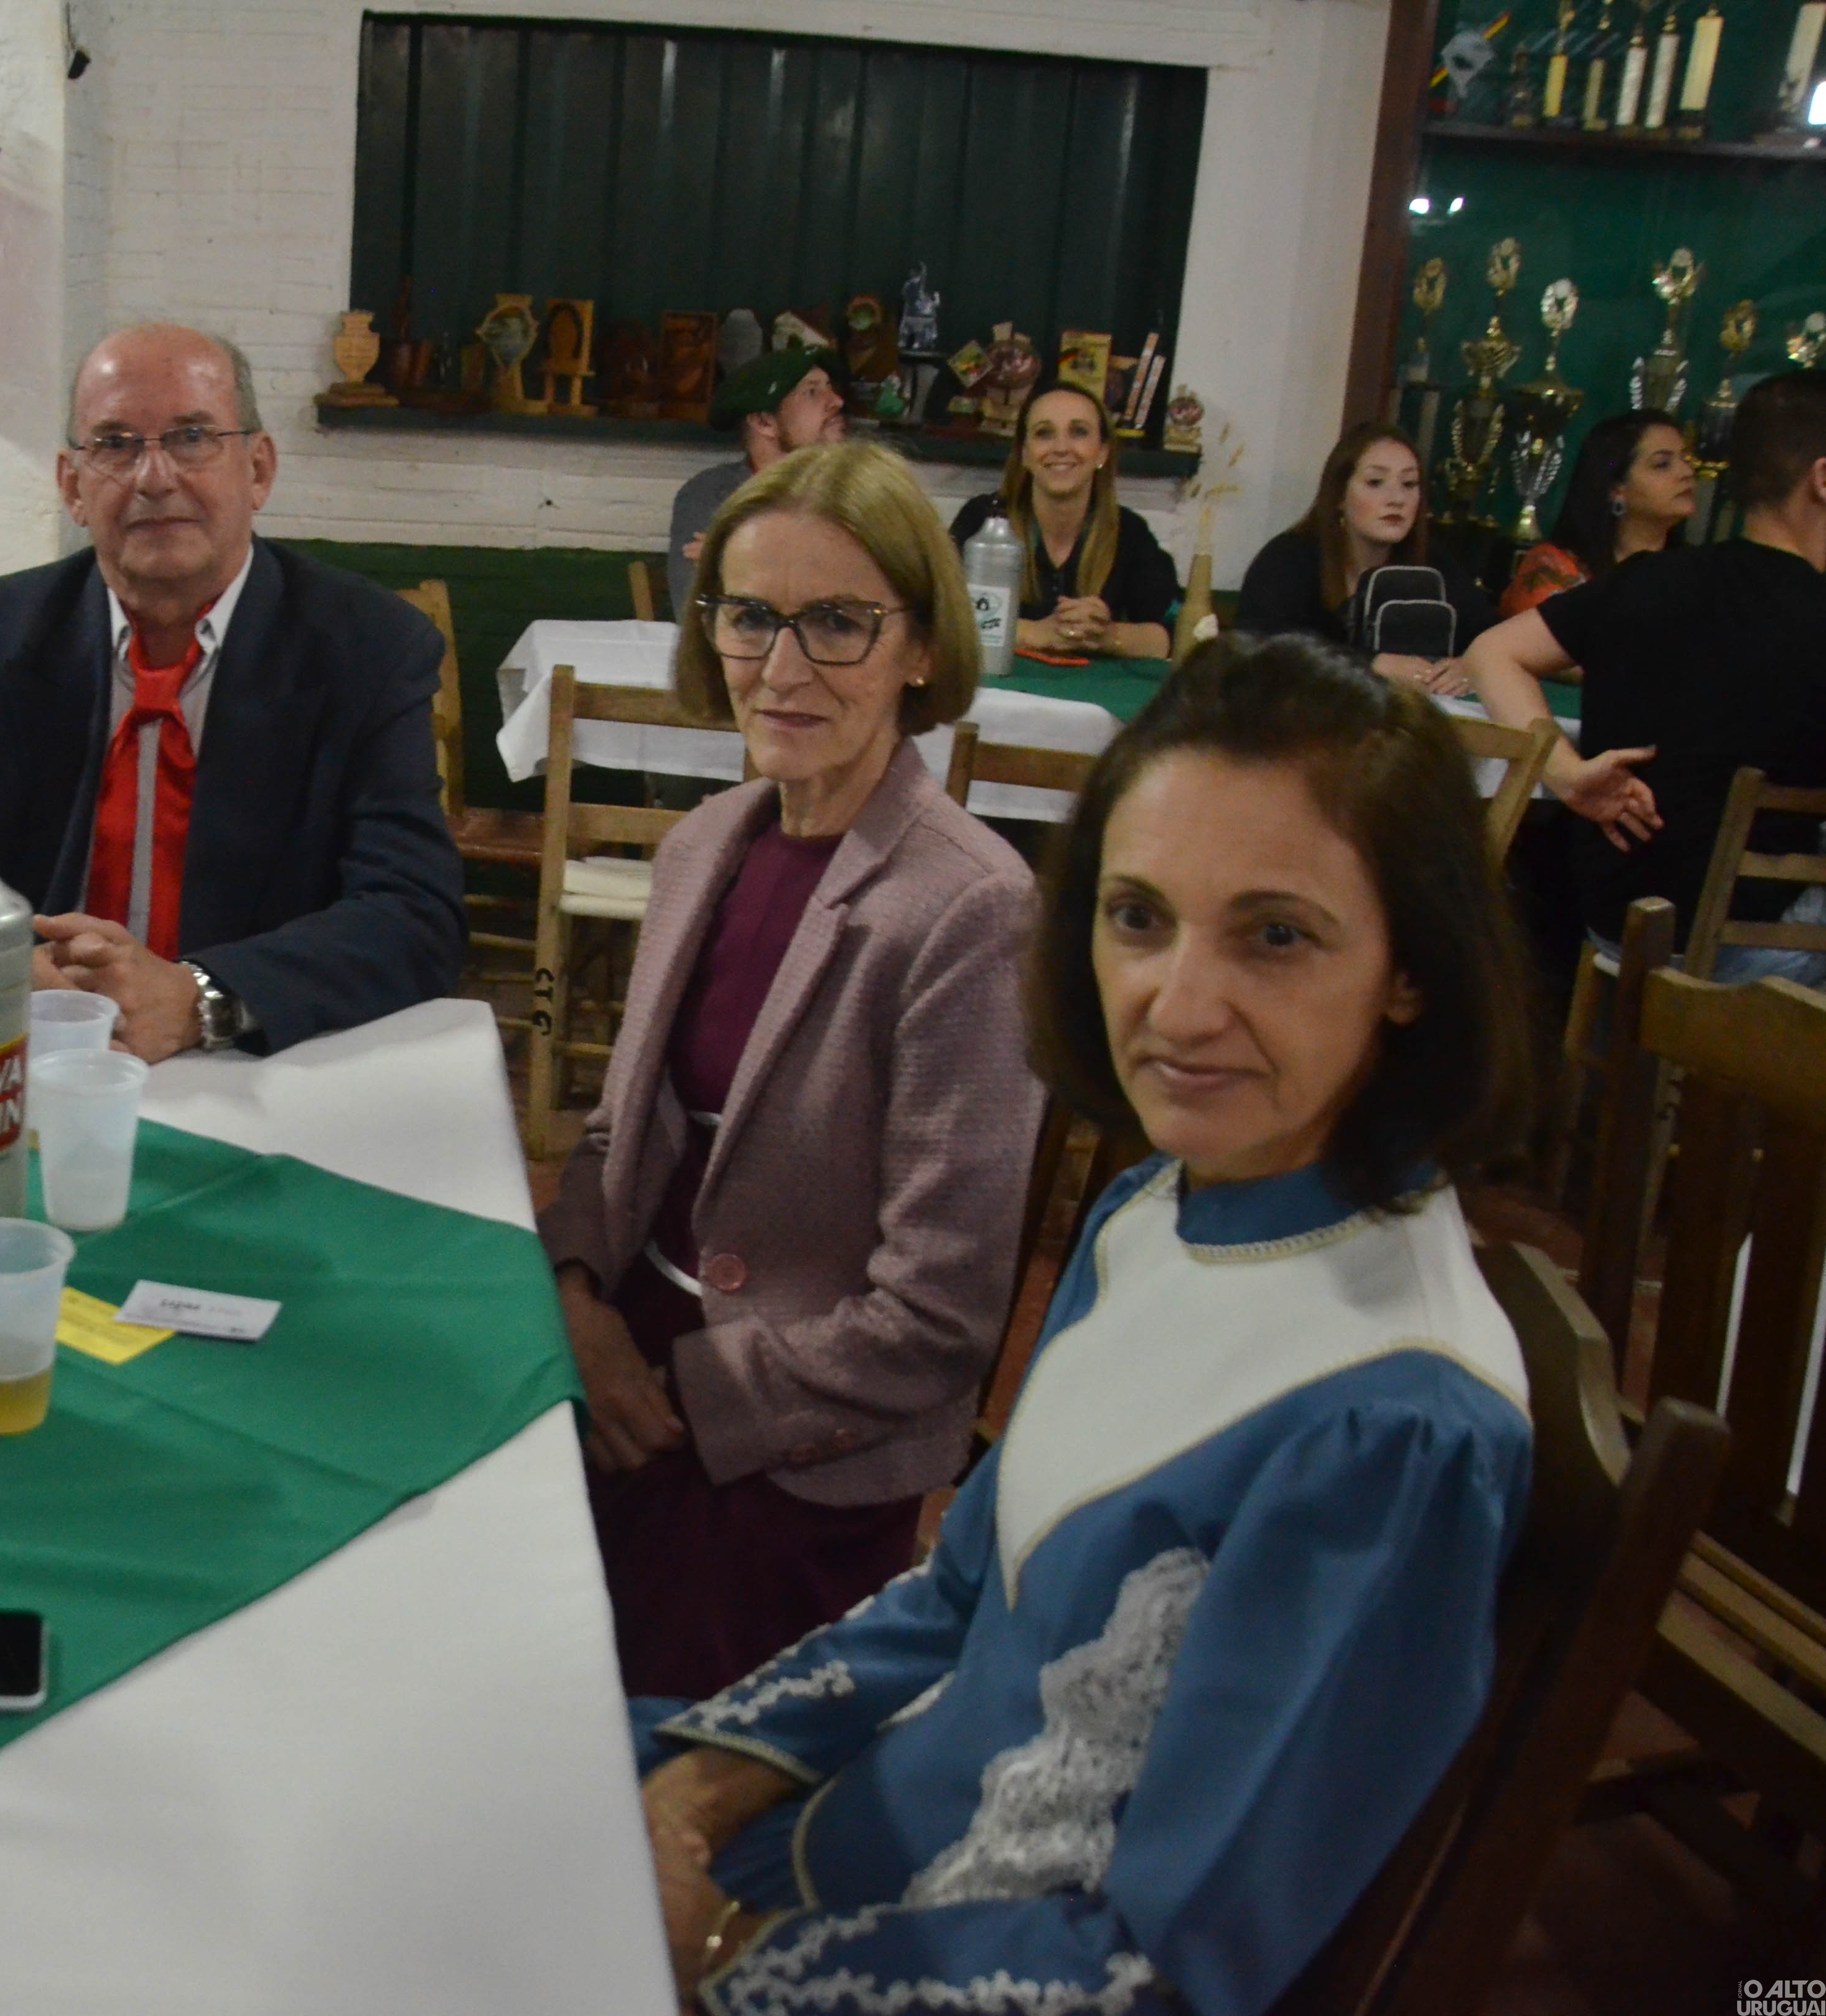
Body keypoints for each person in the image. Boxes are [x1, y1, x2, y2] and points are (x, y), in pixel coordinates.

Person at [633, 636, 1539, 2015]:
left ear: (1412, 970)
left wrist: (715, 1960)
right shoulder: (1151, 1208)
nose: (1175, 1009)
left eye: (1274, 934)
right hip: (857, 1821)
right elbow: (955, 1600)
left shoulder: (1391, 1427)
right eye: (1137, 916)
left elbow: (1167, 1967)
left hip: (943, 1946)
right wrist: (692, 1793)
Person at [540, 442, 1039, 1702]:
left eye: (837, 623)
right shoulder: (709, 837)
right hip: (620, 1364)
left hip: (786, 1445)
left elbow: (937, 1323)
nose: (783, 666)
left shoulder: (972, 910)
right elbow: (619, 1134)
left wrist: (678, 1398)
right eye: (751, 618)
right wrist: (576, 1298)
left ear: (920, 648)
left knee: (659, 1775)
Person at [0, 324, 464, 1061]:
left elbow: (414, 914)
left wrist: (202, 999)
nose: (154, 478)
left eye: (191, 437)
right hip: (38, 1063)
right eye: (115, 445)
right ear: (72, 488)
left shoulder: (368, 649)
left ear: (257, 470)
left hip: (257, 1070)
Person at [1466, 369, 1826, 985]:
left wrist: (1563, 773)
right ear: (1821, 479)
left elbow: (1490, 653)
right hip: (1746, 958)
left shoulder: (1645, 579)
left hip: (1614, 931)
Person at [1234, 423, 1496, 695]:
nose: (1397, 499)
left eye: (1409, 484)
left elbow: (1492, 636)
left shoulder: (1433, 562)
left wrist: (1472, 664)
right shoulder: (1288, 558)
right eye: (1376, 483)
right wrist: (1369, 665)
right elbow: (1263, 650)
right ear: (1338, 496)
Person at [948, 381, 1180, 660]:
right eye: (1044, 434)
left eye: (1079, 432)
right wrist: (1034, 633)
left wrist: (1106, 636)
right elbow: (939, 618)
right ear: (1024, 452)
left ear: (1103, 452)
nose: (1061, 448)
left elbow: (1172, 636)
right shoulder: (983, 520)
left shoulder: (1129, 532)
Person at [666, 343, 852, 620]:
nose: (837, 401)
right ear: (764, 422)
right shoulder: (712, 496)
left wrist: (751, 561)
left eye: (830, 387)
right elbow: (700, 616)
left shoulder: (860, 492)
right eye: (812, 392)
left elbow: (871, 604)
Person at [1498, 409, 1698, 618]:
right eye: (1663, 464)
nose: (1687, 472)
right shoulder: (1555, 570)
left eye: (1686, 459)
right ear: (1616, 489)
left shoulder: (1696, 573)